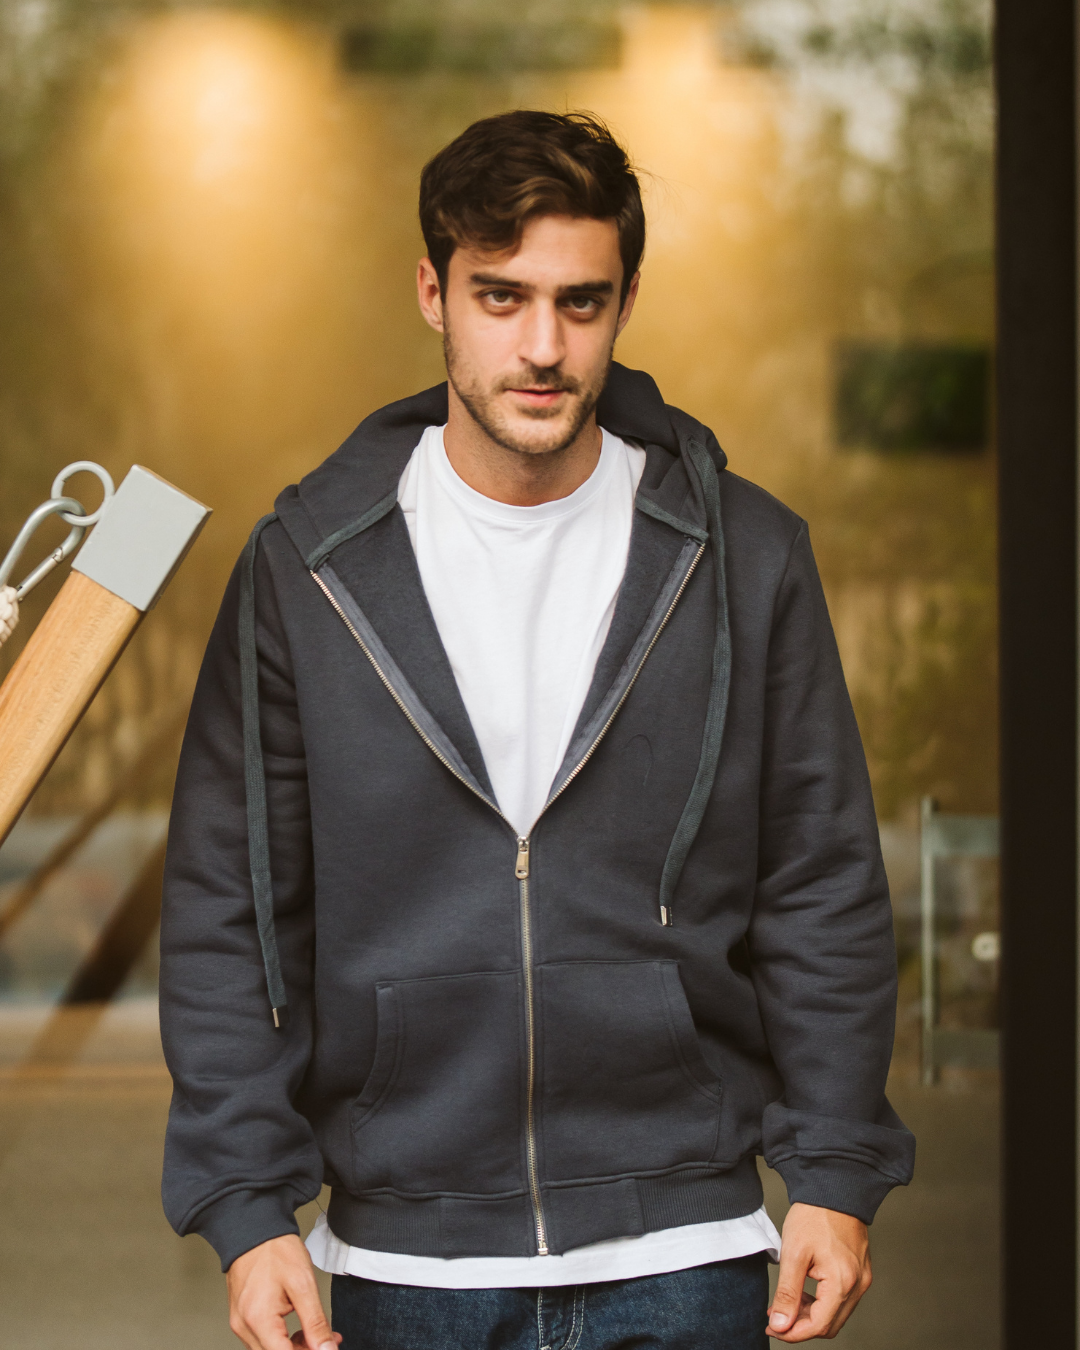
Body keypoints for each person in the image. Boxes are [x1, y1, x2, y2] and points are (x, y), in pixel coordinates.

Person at [160, 110, 915, 1350]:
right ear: (433, 292)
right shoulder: (309, 568)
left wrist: (835, 1171)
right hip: (406, 1262)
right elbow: (230, 911)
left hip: (688, 1251)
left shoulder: (746, 556)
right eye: (500, 297)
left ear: (627, 303)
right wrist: (248, 1210)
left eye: (581, 302)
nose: (543, 347)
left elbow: (820, 881)